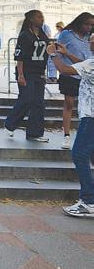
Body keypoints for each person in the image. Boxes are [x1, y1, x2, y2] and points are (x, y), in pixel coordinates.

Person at [47, 38, 94, 217]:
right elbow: (83, 64)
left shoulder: (91, 63)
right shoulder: (90, 63)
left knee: (79, 154)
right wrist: (66, 53)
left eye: (93, 40)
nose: (90, 42)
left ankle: (88, 201)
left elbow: (65, 70)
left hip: (91, 116)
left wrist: (53, 54)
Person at [4, 10, 50, 142]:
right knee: (26, 99)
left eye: (42, 17)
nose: (42, 19)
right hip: (27, 72)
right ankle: (10, 124)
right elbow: (20, 57)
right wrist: (20, 75)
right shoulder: (25, 35)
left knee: (38, 103)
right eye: (38, 17)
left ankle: (34, 133)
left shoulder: (43, 35)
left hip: (39, 72)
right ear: (31, 19)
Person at [55, 13, 94, 150]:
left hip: (86, 73)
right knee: (69, 103)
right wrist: (53, 70)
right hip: (70, 72)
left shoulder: (89, 38)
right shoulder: (67, 34)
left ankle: (83, 135)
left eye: (91, 25)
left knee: (84, 106)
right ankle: (66, 135)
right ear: (80, 23)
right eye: (87, 24)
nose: (89, 27)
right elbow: (56, 51)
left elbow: (85, 62)